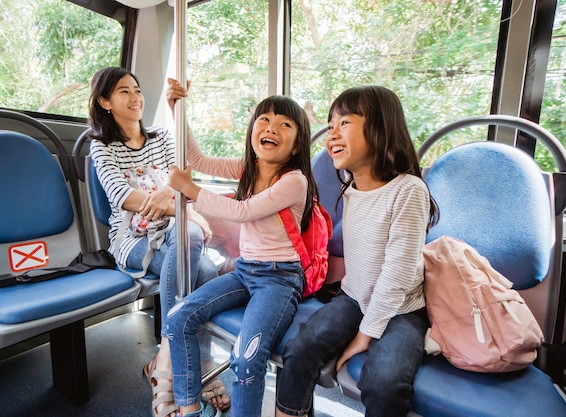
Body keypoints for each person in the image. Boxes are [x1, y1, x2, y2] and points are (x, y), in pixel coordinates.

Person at [275, 85, 440, 417]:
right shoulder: (350, 186)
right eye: (330, 125)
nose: (332, 134)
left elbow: (397, 278)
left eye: (345, 123)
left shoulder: (408, 190)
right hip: (354, 295)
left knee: (384, 383)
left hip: (401, 308)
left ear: (380, 130)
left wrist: (364, 336)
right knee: (300, 349)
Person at [164, 78, 319, 417]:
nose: (271, 127)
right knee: (177, 319)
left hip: (279, 279)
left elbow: (242, 211)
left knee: (246, 359)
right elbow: (197, 158)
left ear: (296, 145)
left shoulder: (294, 181)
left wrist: (190, 190)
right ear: (253, 130)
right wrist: (179, 110)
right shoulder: (247, 169)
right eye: (264, 119)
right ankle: (189, 409)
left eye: (284, 124)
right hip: (245, 270)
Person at [87, 67, 228, 417]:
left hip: (173, 231)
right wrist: (173, 202)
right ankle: (176, 355)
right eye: (124, 91)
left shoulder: (163, 138)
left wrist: (173, 199)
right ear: (105, 102)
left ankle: (170, 361)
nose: (135, 97)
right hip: (131, 239)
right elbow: (123, 196)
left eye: (137, 89)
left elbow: (182, 180)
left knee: (206, 269)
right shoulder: (101, 147)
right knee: (196, 247)